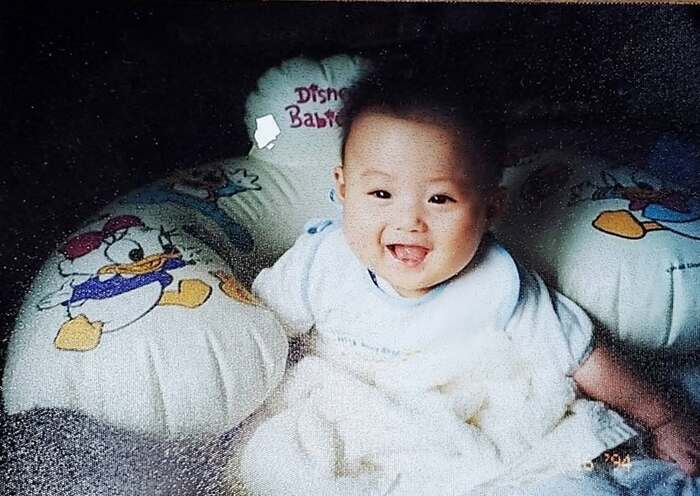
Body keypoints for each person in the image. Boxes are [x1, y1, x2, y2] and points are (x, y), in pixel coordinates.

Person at [236, 56, 699, 494]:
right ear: (343, 188)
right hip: (348, 415)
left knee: (565, 473)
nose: (409, 221)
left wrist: (663, 418)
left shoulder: (498, 282)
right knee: (274, 461)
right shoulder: (320, 261)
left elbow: (582, 355)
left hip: (469, 424)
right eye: (380, 193)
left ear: (489, 209)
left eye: (439, 199)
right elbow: (259, 330)